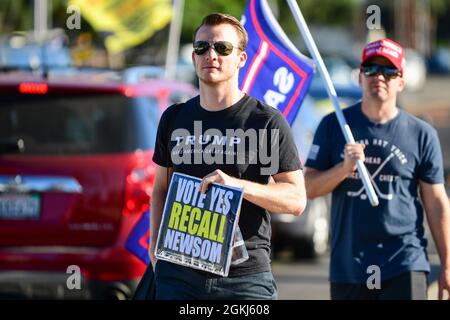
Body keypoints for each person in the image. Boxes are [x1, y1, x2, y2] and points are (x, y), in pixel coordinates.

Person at [149, 13, 306, 300]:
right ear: (194, 56)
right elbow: (161, 188)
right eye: (202, 47)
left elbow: (296, 200)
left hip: (244, 279)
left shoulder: (264, 121)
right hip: (179, 274)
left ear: (241, 59)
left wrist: (238, 186)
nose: (211, 55)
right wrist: (154, 250)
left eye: (222, 48)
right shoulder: (175, 118)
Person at [304, 38, 450, 300]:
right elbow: (309, 188)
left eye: (389, 71)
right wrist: (342, 168)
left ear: (401, 81)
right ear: (360, 77)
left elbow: (437, 202)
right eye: (371, 69)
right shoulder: (333, 125)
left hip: (405, 262)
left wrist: (447, 265)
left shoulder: (421, 134)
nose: (379, 76)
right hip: (349, 266)